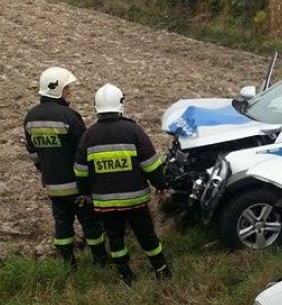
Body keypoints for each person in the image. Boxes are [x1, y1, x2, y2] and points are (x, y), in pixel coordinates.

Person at [74, 84, 173, 285]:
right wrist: (161, 185)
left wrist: (86, 193)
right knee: (146, 236)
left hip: (105, 204)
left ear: (96, 107)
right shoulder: (133, 130)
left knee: (115, 239)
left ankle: (125, 275)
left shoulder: (88, 136)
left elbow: (80, 171)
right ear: (121, 105)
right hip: (136, 200)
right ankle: (161, 270)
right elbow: (151, 165)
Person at [24, 67, 108, 268]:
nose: (69, 92)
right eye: (67, 89)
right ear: (58, 90)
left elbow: (33, 151)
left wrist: (45, 169)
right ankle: (100, 261)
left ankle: (68, 263)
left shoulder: (30, 118)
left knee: (62, 224)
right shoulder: (69, 116)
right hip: (77, 185)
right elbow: (84, 149)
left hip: (53, 185)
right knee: (91, 224)